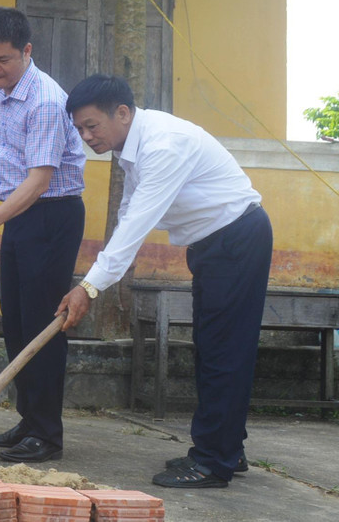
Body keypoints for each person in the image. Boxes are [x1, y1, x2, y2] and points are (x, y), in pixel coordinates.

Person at [57, 74, 272, 489]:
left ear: (122, 113)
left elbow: (139, 223)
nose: (86, 137)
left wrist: (90, 286)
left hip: (236, 240)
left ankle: (214, 461)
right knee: (212, 347)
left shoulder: (163, 145)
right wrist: (94, 280)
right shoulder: (133, 145)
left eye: (91, 126)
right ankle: (226, 445)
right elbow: (127, 210)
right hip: (213, 245)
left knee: (224, 351)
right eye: (80, 129)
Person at [0, 7, 86, 463]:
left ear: (27, 52)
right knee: (14, 322)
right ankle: (28, 420)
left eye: (3, 60)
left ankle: (47, 434)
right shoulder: (4, 87)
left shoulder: (47, 102)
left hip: (50, 215)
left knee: (42, 326)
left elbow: (39, 181)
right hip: (20, 215)